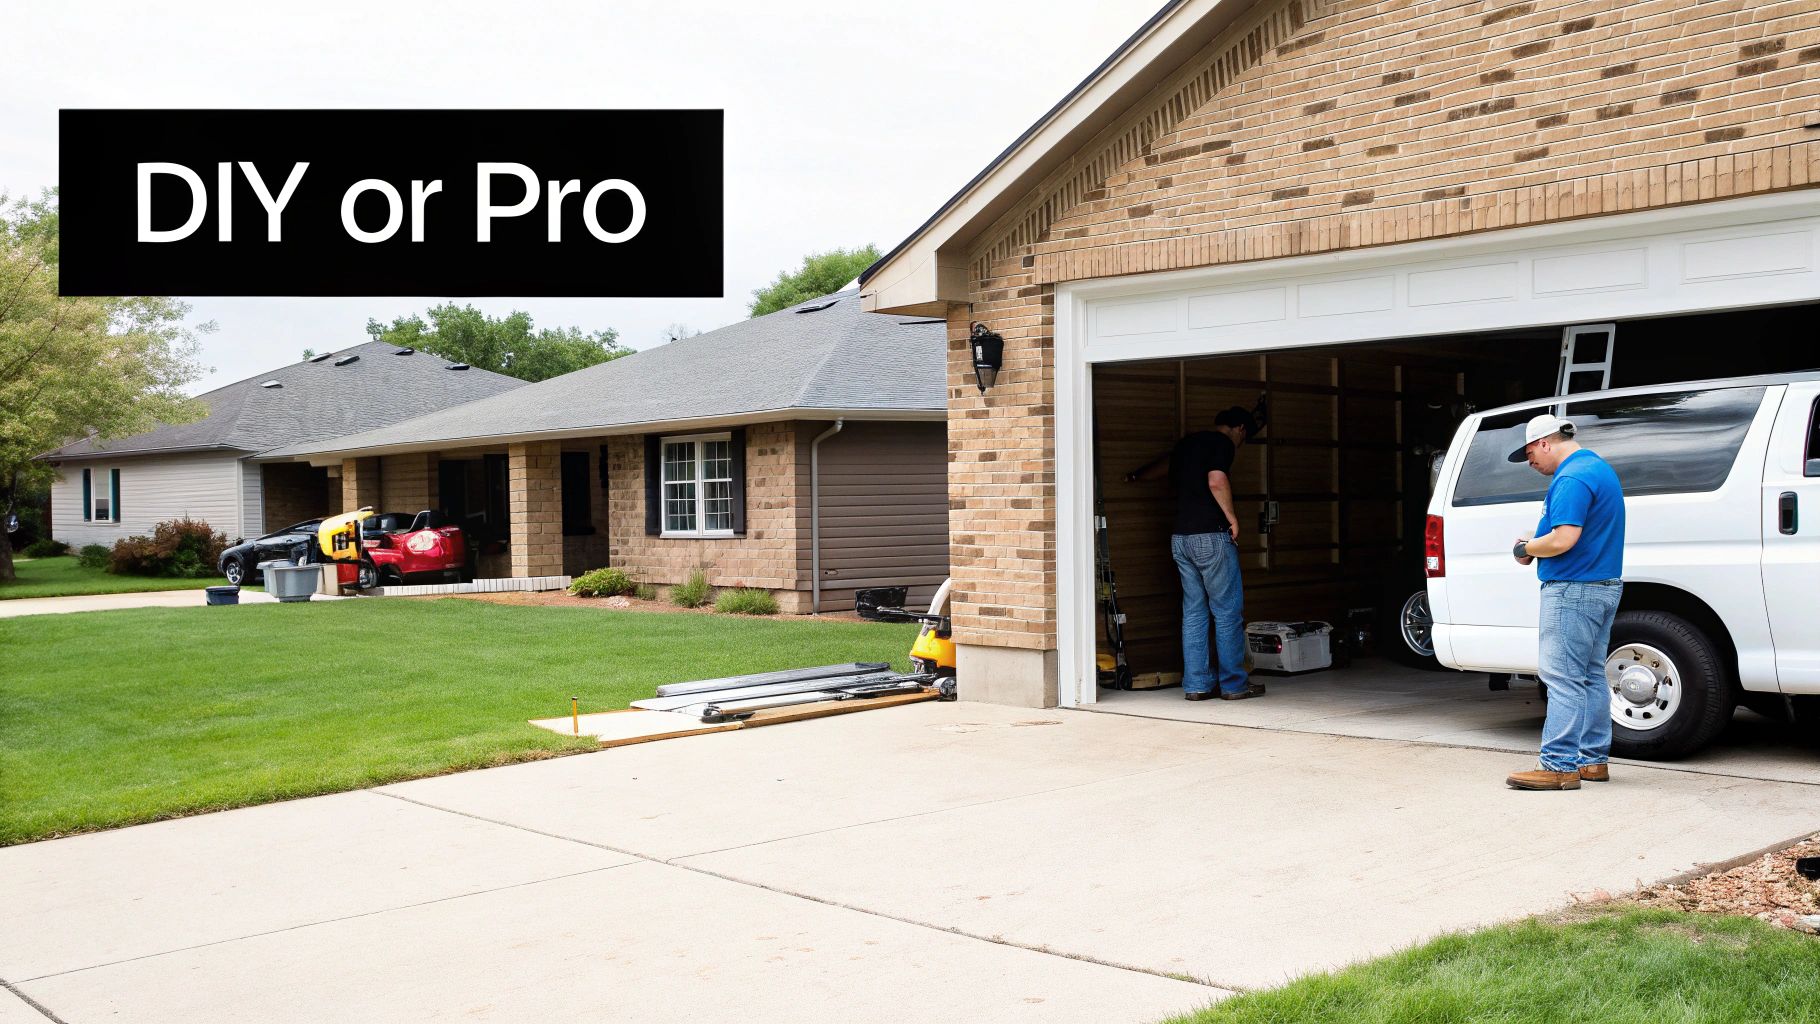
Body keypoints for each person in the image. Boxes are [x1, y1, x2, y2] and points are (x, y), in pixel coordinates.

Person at [1504, 413, 1626, 791]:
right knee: (1589, 675)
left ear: (1544, 442)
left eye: (1529, 454)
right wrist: (1537, 540)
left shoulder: (1571, 477)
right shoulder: (1597, 468)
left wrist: (1526, 548)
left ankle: (1557, 765)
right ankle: (1592, 761)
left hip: (1573, 589)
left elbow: (1563, 540)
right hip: (1601, 585)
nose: (1530, 463)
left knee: (1562, 678)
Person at [1128, 406, 1266, 702]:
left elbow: (1164, 466)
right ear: (1240, 429)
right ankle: (1233, 685)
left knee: (1194, 612)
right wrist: (1232, 517)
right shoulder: (1222, 444)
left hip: (1181, 539)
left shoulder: (1187, 444)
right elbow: (1216, 480)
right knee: (1227, 612)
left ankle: (1197, 685)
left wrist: (1136, 476)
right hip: (1211, 537)